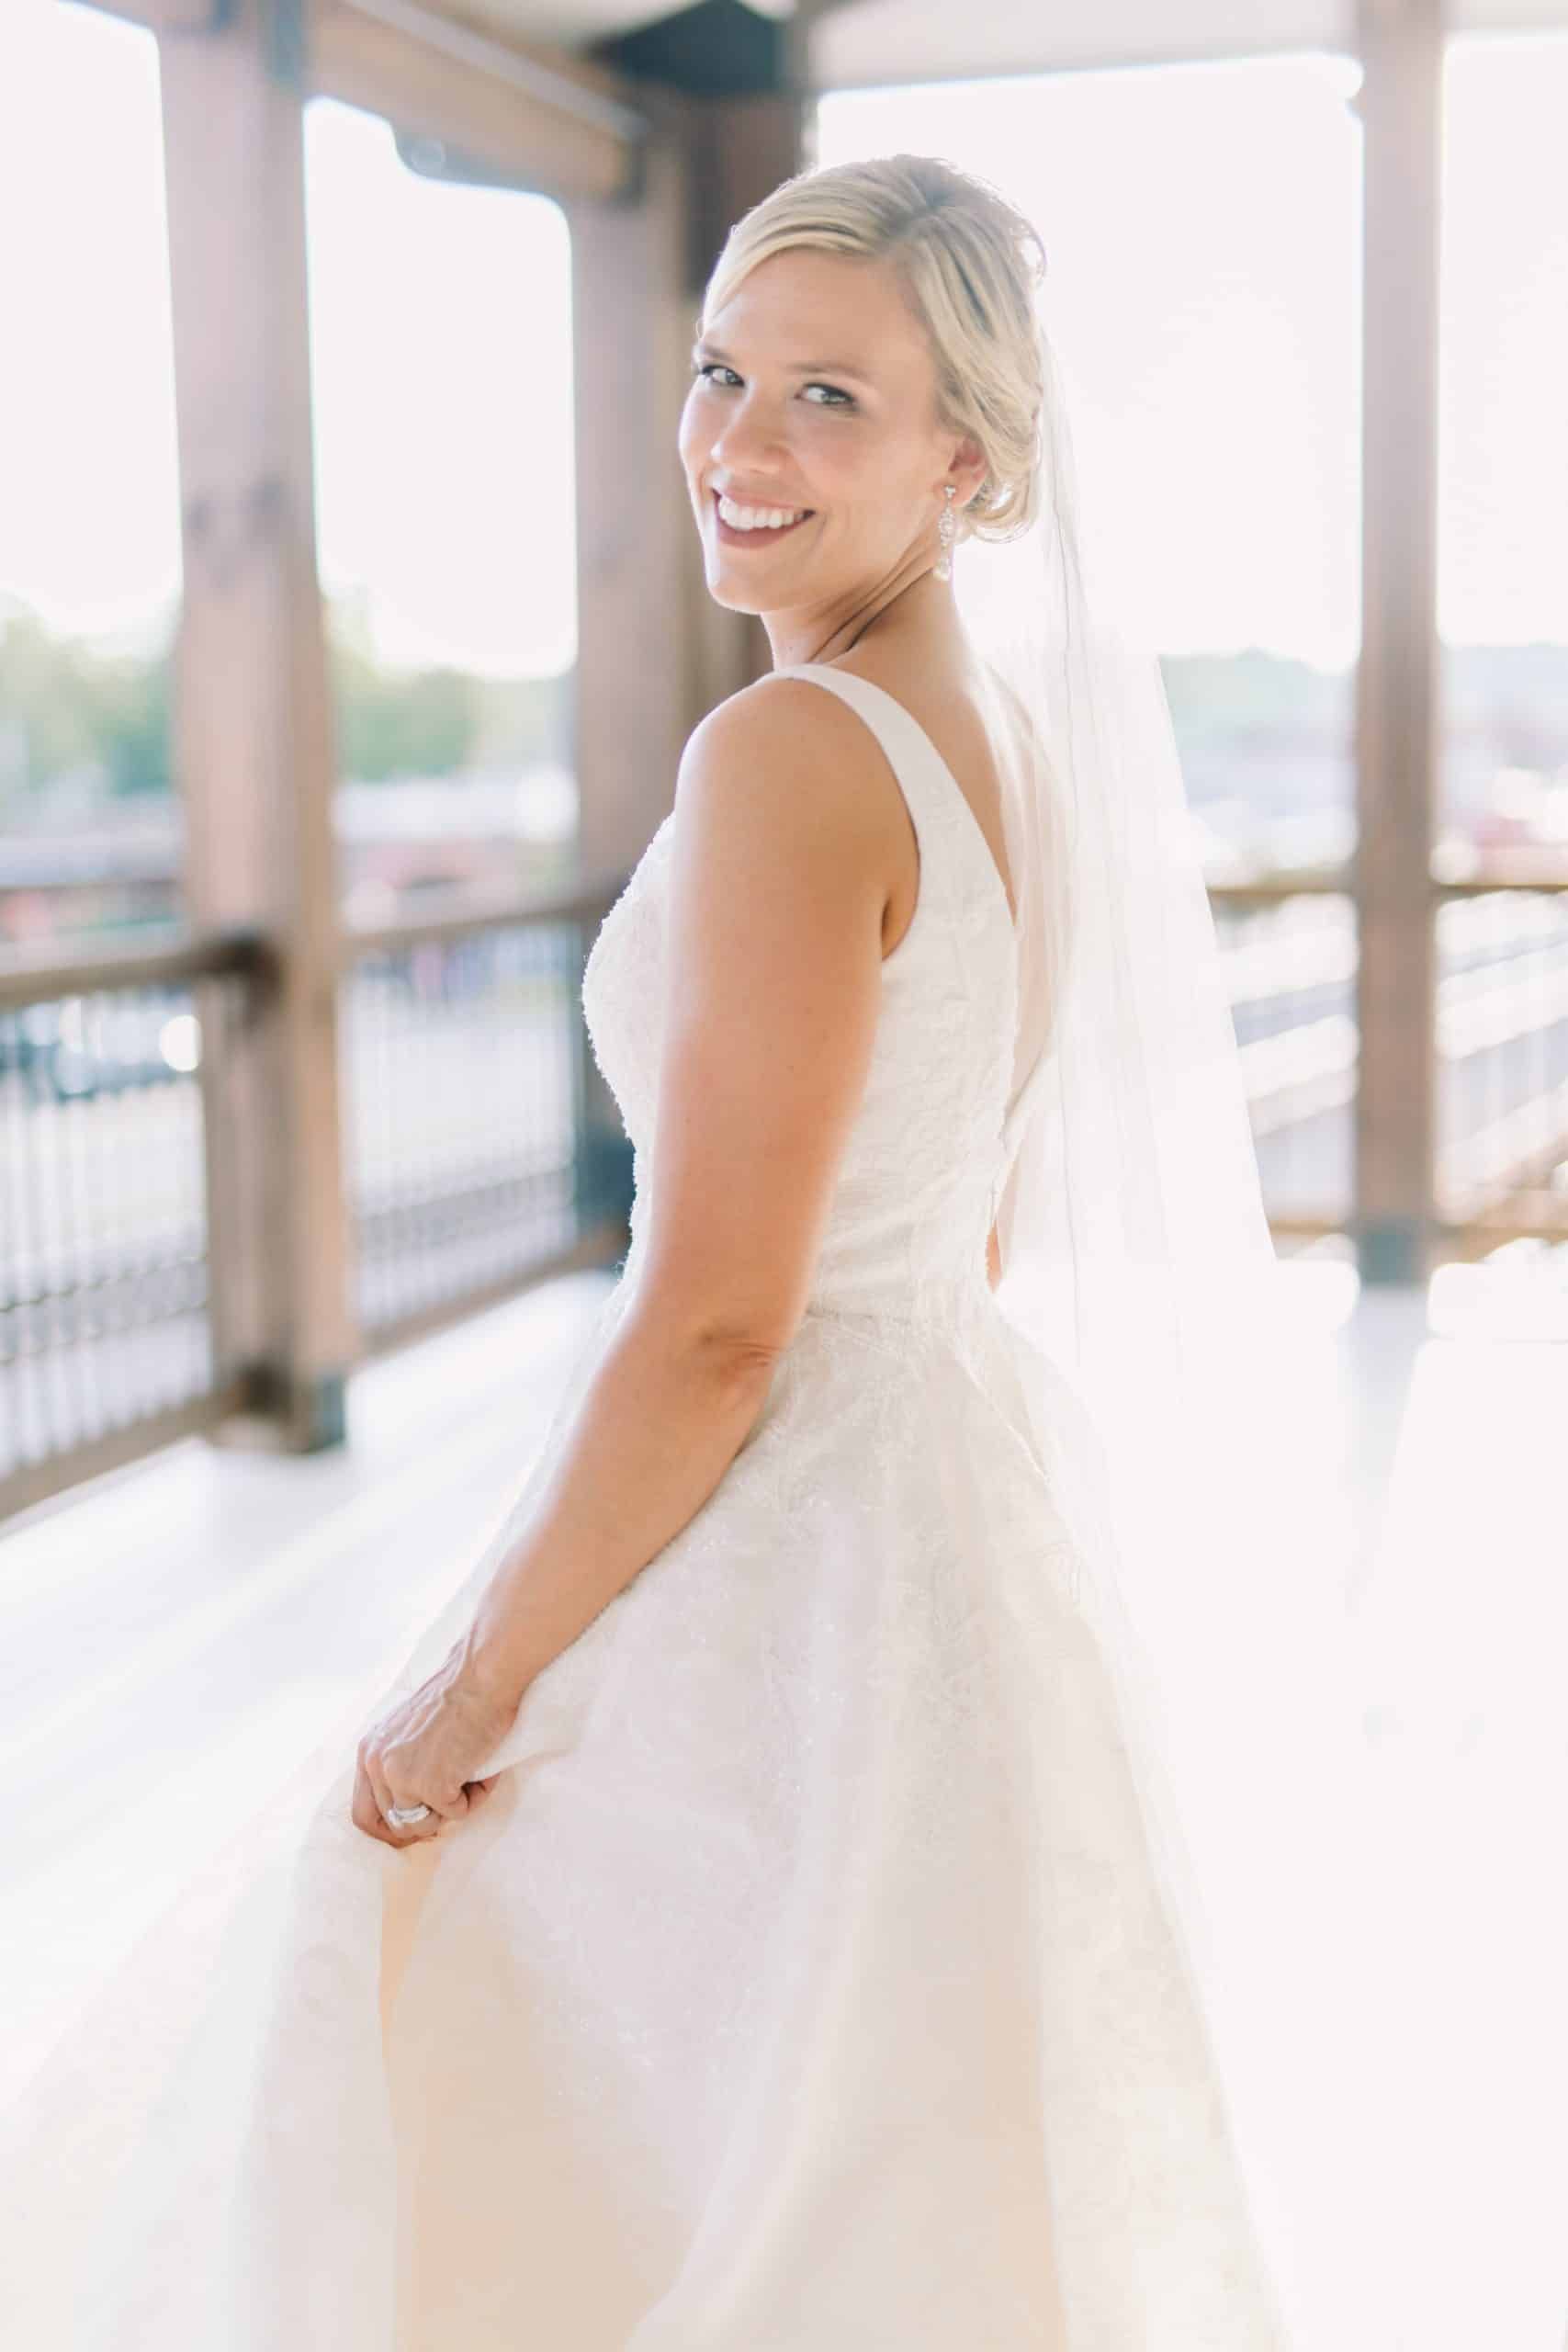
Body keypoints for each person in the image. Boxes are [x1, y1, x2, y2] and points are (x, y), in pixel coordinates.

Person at [0, 154, 1361, 2347]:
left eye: (828, 397)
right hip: (948, 1514)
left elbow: (721, 1318)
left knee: (491, 2091)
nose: (737, 443)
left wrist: (470, 1681)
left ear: (968, 465)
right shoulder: (997, 743)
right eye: (721, 370)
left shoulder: (789, 757)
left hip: (775, 1545)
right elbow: (962, 1220)